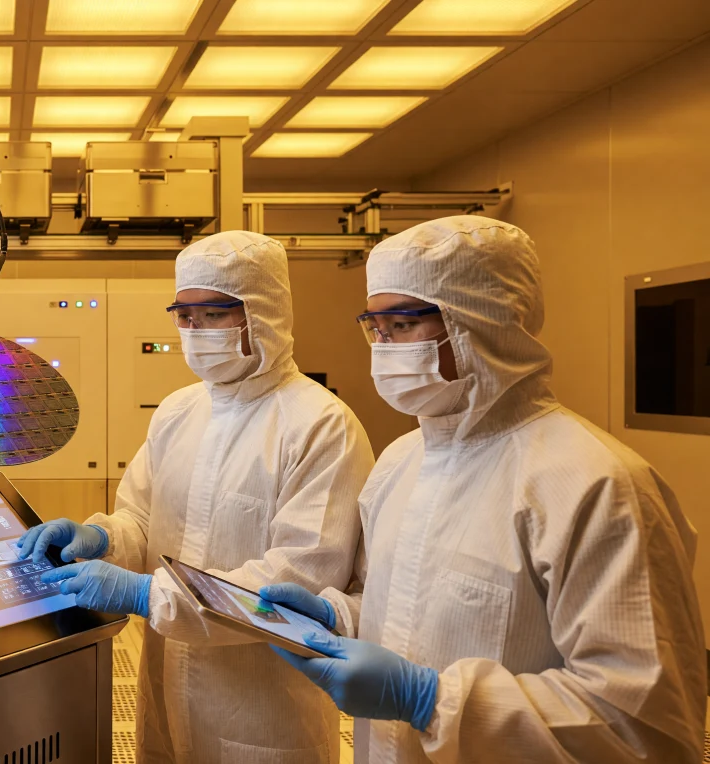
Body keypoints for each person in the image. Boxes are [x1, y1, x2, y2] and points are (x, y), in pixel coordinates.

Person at [260, 215, 707, 762]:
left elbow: (646, 729)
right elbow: (412, 614)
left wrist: (428, 700)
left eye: (401, 324)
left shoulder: (600, 485)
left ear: (480, 321)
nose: (382, 346)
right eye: (374, 326)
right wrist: (340, 618)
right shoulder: (402, 461)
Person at [18, 230, 376, 764]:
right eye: (184, 315)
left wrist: (145, 596)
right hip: (165, 697)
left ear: (265, 313)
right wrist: (100, 538)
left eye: (214, 313)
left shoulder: (320, 425)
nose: (195, 330)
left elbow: (294, 584)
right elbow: (141, 519)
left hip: (264, 712)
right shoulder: (179, 411)